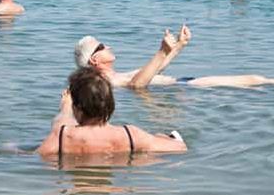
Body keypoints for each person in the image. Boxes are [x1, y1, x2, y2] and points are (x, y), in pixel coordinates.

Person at [75, 29, 274, 90]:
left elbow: (155, 69)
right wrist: (161, 51)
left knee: (255, 79)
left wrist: (179, 46)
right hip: (187, 87)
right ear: (94, 61)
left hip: (184, 84)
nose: (108, 45)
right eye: (101, 46)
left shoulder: (114, 76)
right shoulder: (109, 83)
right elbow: (139, 85)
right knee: (255, 80)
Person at [37, 67, 187, 157]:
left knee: (62, 121)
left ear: (77, 108)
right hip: (114, 183)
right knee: (159, 138)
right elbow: (180, 148)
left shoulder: (62, 136)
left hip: (75, 187)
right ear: (110, 104)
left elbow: (37, 156)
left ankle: (65, 107)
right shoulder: (130, 135)